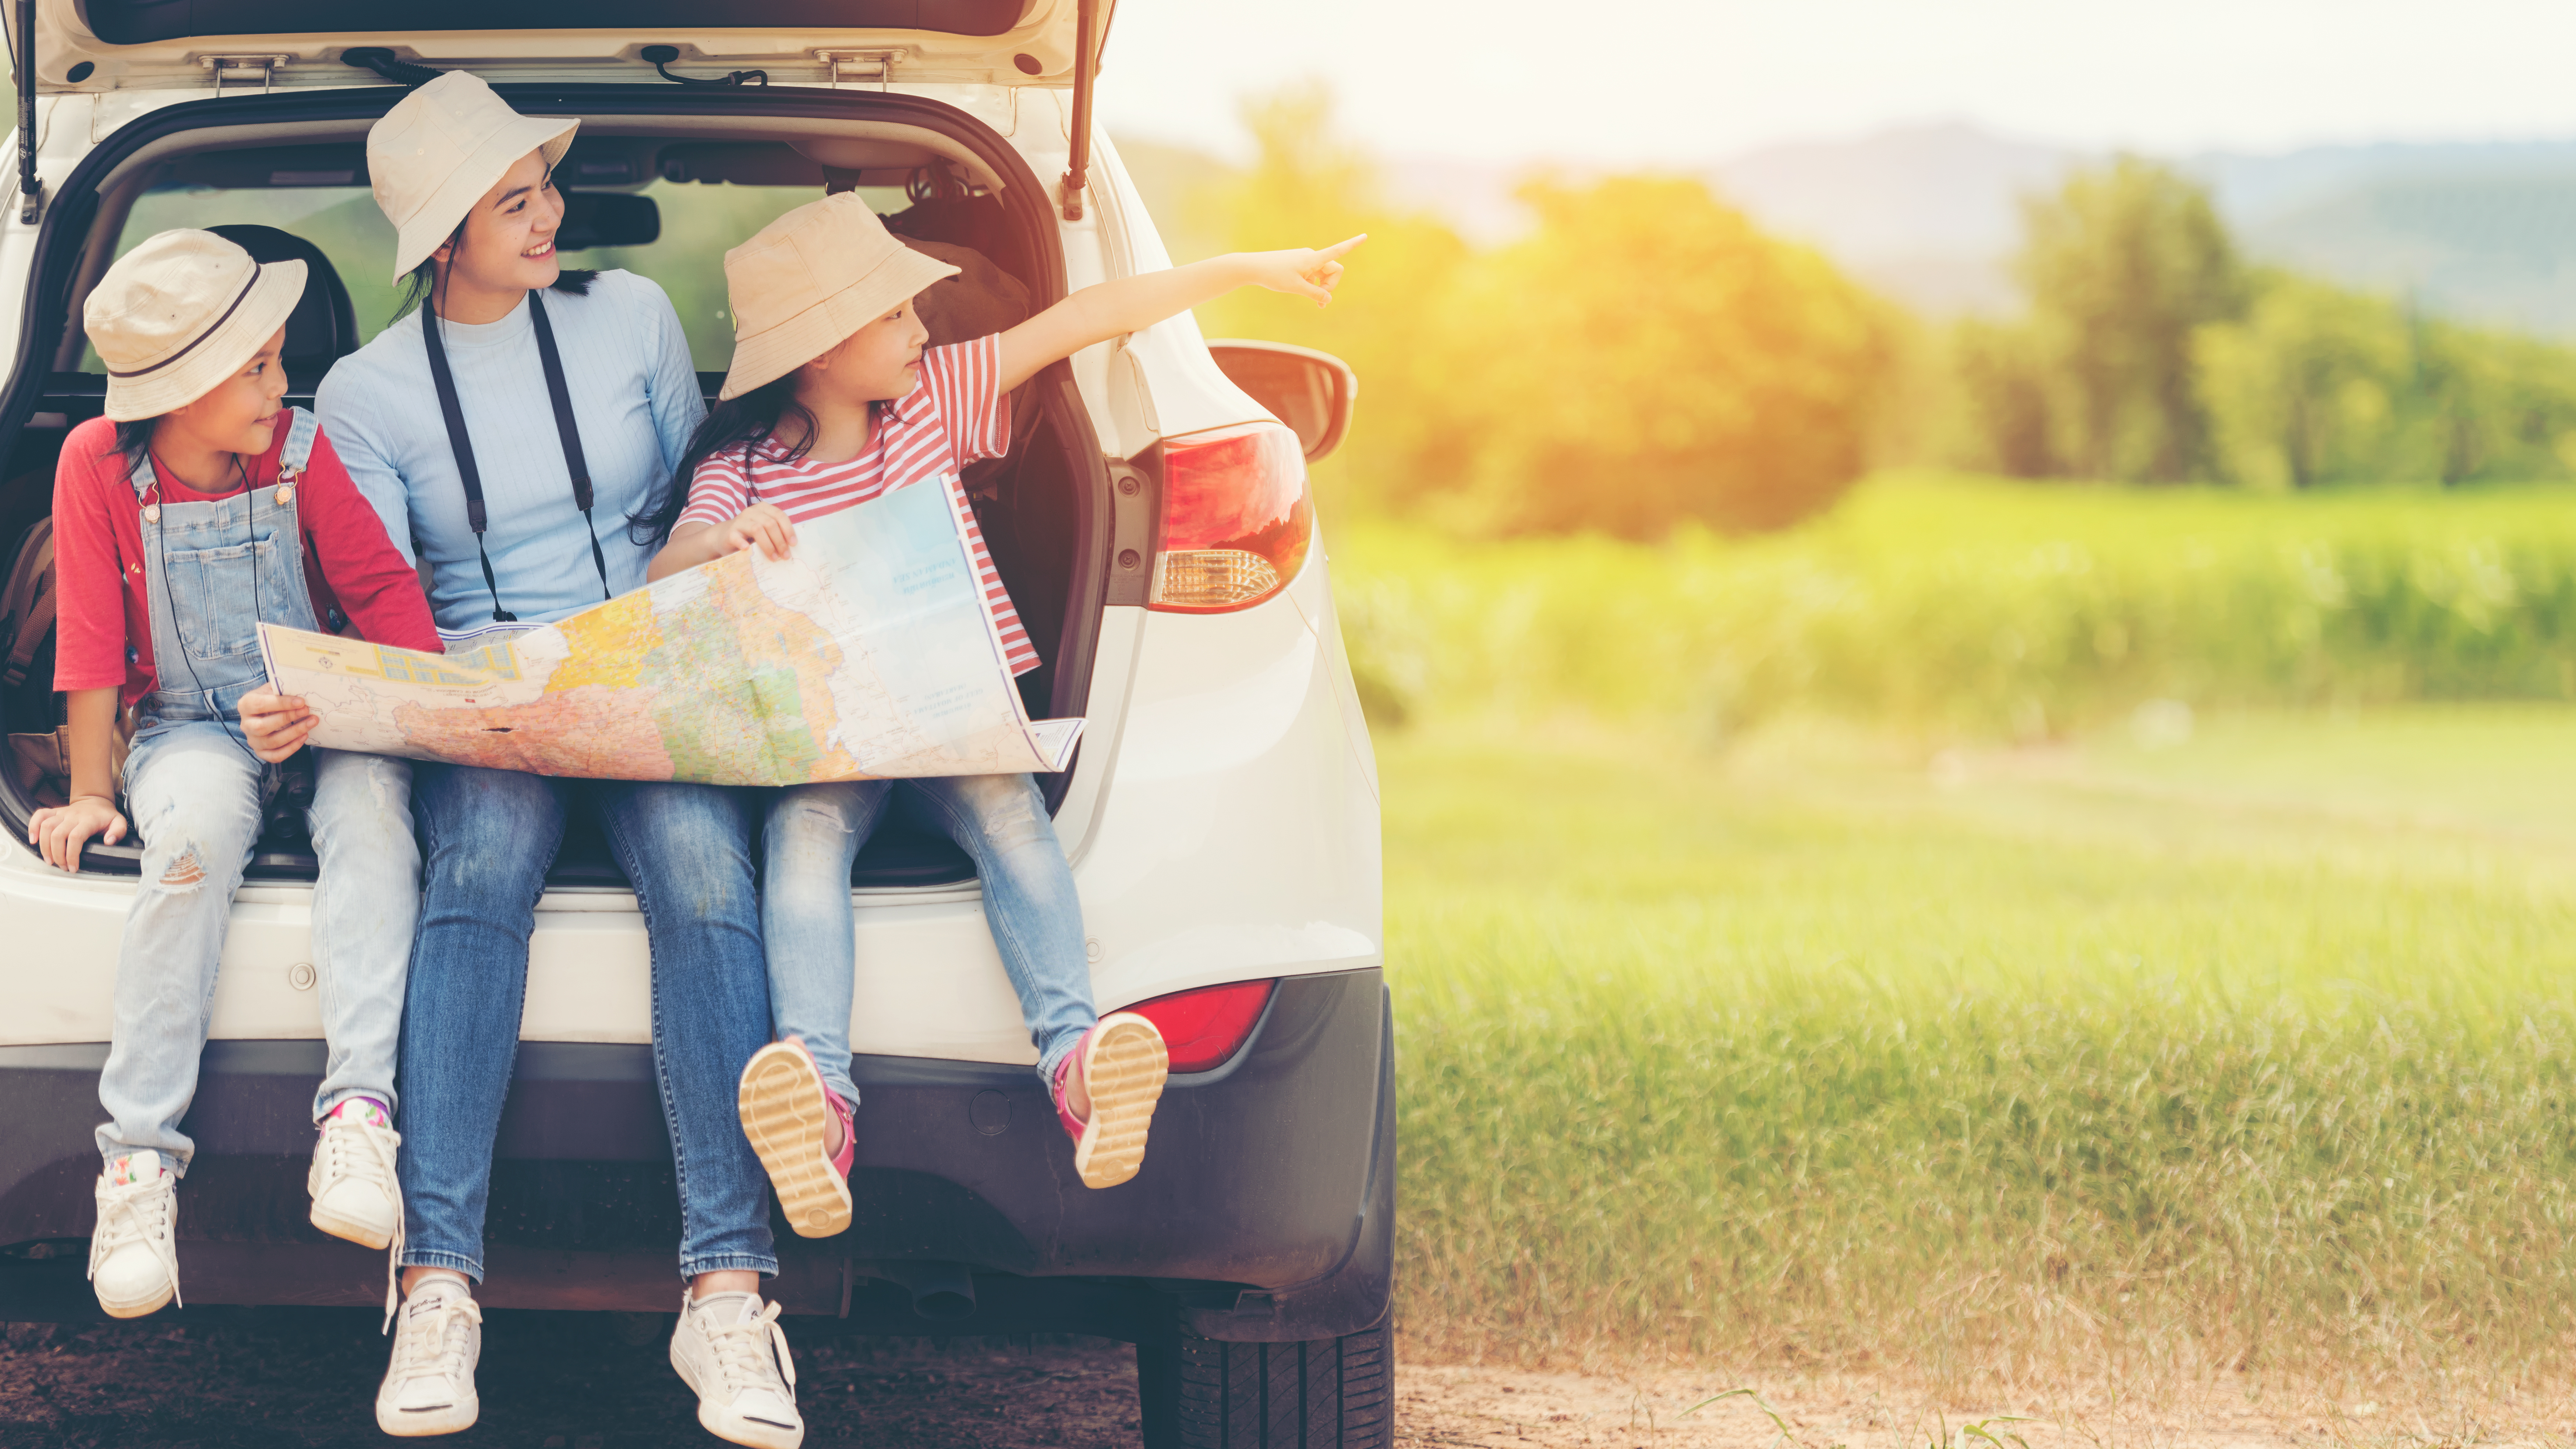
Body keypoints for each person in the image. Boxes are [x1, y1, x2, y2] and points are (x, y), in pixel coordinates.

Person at [638, 195, 1361, 1246]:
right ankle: (818, 1106)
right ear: (827, 348)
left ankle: (1078, 1065)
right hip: (828, 732)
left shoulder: (934, 400)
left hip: (951, 711)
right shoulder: (740, 470)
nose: (923, 331)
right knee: (802, 847)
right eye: (896, 316)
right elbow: (665, 569)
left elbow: (1091, 317)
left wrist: (1252, 262)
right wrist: (723, 543)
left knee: (1012, 816)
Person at [247, 72, 788, 1445]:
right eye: (513, 200)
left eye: (543, 185)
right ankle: (436, 1282)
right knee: (476, 874)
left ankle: (729, 1295)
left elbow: (689, 500)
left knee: (705, 876)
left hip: (649, 666)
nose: (549, 212)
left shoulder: (635, 318)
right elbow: (379, 589)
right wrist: (445, 701)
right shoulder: (367, 392)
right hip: (482, 696)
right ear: (443, 242)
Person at [31, 230, 438, 1321]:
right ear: (180, 391)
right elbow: (90, 645)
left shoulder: (301, 453)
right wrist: (87, 790)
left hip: (324, 711)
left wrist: (365, 703)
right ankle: (140, 1164)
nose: (280, 384)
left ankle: (357, 1117)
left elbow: (386, 603)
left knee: (372, 817)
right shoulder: (94, 466)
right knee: (192, 844)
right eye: (257, 366)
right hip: (184, 730)